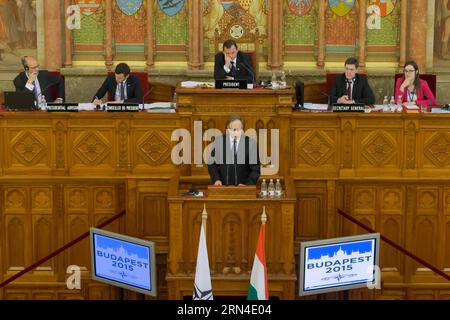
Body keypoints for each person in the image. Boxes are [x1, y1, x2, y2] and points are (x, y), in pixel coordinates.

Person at [207, 115, 260, 186]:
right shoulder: (220, 141)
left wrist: (248, 185)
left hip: (244, 190)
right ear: (228, 129)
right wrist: (216, 179)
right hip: (222, 188)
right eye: (233, 129)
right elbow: (211, 163)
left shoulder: (251, 144)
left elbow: (255, 169)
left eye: (239, 129)